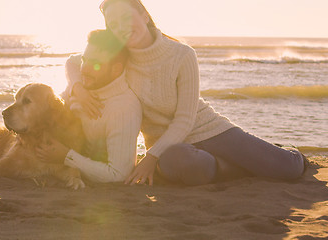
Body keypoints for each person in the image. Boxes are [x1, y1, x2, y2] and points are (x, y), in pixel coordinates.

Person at [65, 0, 307, 186]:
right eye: (113, 25)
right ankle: (231, 167)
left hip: (210, 131)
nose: (121, 28)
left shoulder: (182, 55)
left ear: (144, 14)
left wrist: (150, 158)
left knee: (288, 170)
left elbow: (185, 120)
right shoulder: (122, 59)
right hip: (170, 148)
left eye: (125, 18)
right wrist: (77, 87)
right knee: (177, 164)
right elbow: (74, 62)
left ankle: (288, 153)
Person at [36, 29, 142, 183]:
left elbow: (118, 175)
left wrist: (66, 156)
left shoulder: (123, 109)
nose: (84, 68)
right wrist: (78, 89)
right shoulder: (83, 87)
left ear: (116, 69)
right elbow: (72, 61)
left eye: (96, 64)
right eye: (84, 60)